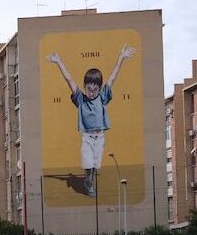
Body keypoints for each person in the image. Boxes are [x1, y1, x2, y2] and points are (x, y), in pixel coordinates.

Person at [46, 45, 135, 198]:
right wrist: (59, 62)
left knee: (96, 163)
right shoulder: (80, 98)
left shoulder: (102, 96)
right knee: (88, 162)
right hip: (87, 136)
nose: (91, 92)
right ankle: (88, 180)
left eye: (95, 89)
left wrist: (121, 57)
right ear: (84, 87)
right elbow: (69, 79)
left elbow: (113, 76)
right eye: (88, 88)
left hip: (100, 136)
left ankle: (89, 180)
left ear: (100, 89)